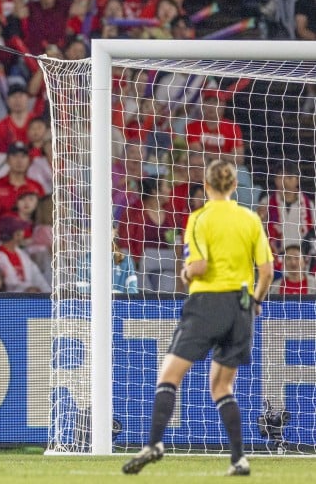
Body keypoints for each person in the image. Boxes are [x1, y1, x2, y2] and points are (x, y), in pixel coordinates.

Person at [122, 159, 273, 476]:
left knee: (169, 374)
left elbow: (200, 267)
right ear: (234, 186)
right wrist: (256, 301)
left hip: (207, 303)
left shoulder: (199, 218)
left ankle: (154, 443)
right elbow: (268, 272)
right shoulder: (249, 219)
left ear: (206, 186)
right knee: (221, 386)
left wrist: (186, 270)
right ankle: (238, 459)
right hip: (241, 306)